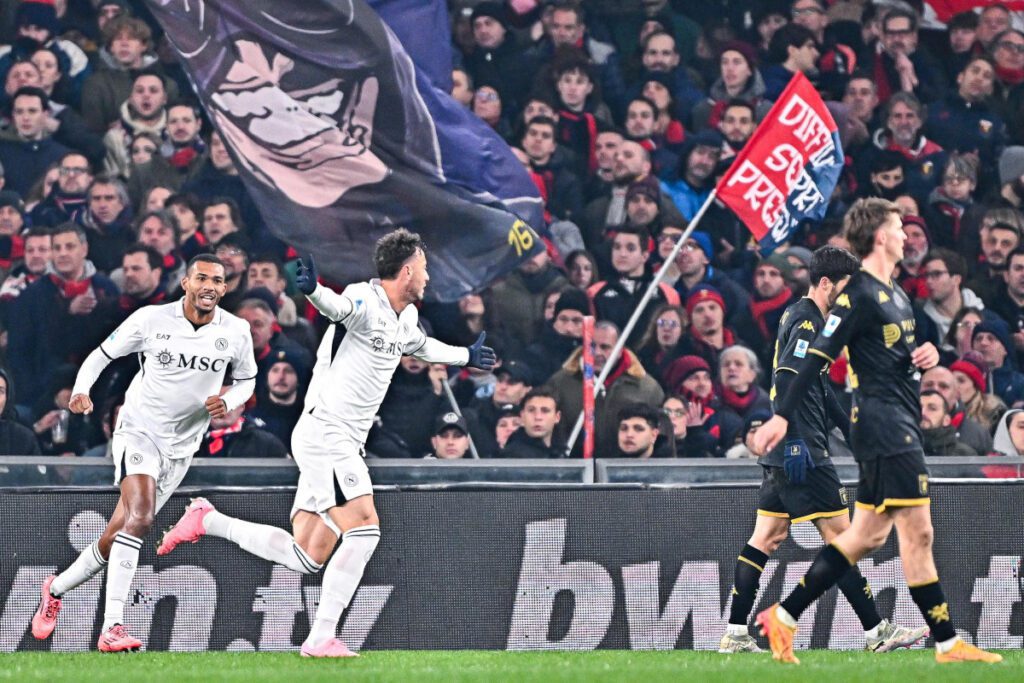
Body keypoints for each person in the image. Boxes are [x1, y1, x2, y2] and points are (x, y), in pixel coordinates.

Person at [155, 229, 496, 658]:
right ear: (407, 270)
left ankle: (208, 520)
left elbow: (421, 346)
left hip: (340, 442)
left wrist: (465, 356)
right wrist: (314, 289)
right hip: (326, 432)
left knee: (308, 556)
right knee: (366, 530)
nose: (428, 277)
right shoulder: (363, 299)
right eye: (424, 268)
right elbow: (339, 308)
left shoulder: (404, 319)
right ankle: (321, 638)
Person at [751, 198, 1001, 664]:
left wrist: (923, 356)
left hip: (898, 420)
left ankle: (783, 616)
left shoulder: (896, 294)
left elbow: (893, 360)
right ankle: (947, 643)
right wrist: (783, 416)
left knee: (865, 537)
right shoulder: (858, 293)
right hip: (884, 427)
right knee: (917, 532)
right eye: (899, 228)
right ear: (881, 236)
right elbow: (816, 359)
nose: (907, 236)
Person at [30, 253, 257, 651]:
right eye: (201, 278)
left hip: (183, 446)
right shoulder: (151, 320)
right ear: (186, 283)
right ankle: (112, 627)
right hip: (140, 432)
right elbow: (102, 354)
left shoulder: (236, 331)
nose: (209, 286)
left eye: (217, 281)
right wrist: (82, 389)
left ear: (224, 288)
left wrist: (231, 400)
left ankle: (56, 588)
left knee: (118, 533)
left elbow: (248, 378)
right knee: (142, 516)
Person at [721, 245, 925, 653]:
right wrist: (794, 438)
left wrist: (853, 438)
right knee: (842, 538)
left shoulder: (807, 318)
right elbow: (788, 373)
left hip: (792, 448)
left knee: (767, 536)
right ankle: (876, 632)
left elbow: (819, 389)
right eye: (846, 289)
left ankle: (735, 633)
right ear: (826, 283)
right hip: (804, 450)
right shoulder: (809, 321)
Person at [499, 388, 564, 459]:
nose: (538, 417)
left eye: (545, 411)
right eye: (531, 410)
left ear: (557, 417)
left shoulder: (560, 453)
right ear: (522, 416)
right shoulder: (511, 456)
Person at [919, 390, 977, 456]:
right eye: (918, 408)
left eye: (932, 408)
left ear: (946, 420)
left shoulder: (963, 455)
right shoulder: (905, 450)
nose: (922, 413)